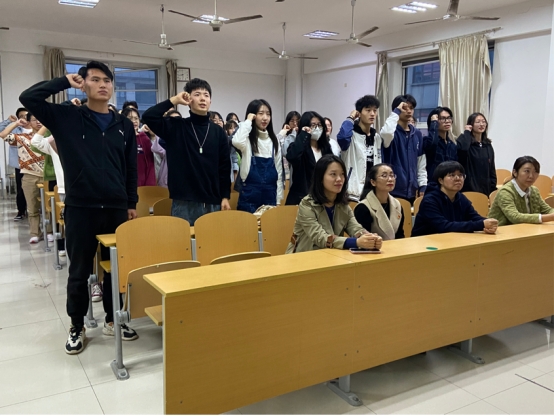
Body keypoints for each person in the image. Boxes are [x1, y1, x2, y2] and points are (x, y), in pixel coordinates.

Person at [20, 60, 139, 355]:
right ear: (83, 84)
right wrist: (63, 81)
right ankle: (77, 325)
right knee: (79, 272)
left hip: (115, 208)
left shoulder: (123, 125)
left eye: (107, 80)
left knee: (115, 270)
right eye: (95, 79)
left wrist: (131, 203)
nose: (102, 85)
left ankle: (113, 319)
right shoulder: (67, 117)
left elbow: (130, 168)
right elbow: (28, 98)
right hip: (81, 207)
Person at [142, 78, 231, 225]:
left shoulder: (218, 132)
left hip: (213, 201)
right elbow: (148, 116)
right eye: (197, 94)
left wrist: (225, 196)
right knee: (183, 239)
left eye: (206, 95)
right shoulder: (177, 126)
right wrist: (174, 100)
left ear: (210, 101)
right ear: (188, 99)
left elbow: (224, 167)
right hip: (184, 201)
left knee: (211, 239)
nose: (202, 98)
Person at [286, 155, 382, 253]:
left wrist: (369, 238)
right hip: (304, 256)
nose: (339, 179)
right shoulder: (307, 204)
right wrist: (356, 242)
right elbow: (320, 238)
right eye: (333, 174)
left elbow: (355, 228)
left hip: (332, 255)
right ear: (320, 178)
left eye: (342, 174)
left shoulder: (343, 205)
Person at [412, 161, 498, 236]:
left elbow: (474, 217)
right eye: (452, 175)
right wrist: (481, 224)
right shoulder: (429, 201)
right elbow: (443, 226)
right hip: (426, 243)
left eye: (460, 175)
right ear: (440, 180)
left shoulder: (461, 197)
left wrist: (489, 223)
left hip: (451, 240)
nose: (457, 179)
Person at [1, 112, 47, 243]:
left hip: (48, 176)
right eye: (34, 119)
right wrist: (16, 123)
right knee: (32, 207)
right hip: (29, 175)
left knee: (49, 206)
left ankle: (49, 231)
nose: (38, 122)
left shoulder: (50, 137)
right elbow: (3, 135)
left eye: (40, 119)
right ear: (29, 122)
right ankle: (35, 233)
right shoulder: (22, 138)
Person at [232, 99, 284, 212]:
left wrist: (278, 200)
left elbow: (279, 172)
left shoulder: (274, 141)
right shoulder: (247, 139)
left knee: (268, 224)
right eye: (261, 113)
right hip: (249, 196)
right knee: (248, 224)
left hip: (270, 196)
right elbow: (236, 141)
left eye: (268, 114)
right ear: (253, 115)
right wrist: (248, 121)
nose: (265, 118)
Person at [337, 95, 389, 201]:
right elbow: (342, 138)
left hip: (373, 190)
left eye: (375, 110)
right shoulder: (351, 136)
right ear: (359, 113)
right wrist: (350, 118)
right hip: (353, 191)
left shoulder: (377, 137)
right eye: (368, 110)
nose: (372, 114)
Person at [380, 94, 427, 204]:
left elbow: (421, 163)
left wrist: (422, 185)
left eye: (411, 108)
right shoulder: (391, 132)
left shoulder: (417, 134)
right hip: (392, 190)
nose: (409, 111)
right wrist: (396, 112)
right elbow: (386, 133)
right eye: (405, 108)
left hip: (412, 191)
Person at [31, 127, 66, 256]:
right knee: (65, 222)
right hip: (64, 188)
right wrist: (47, 124)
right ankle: (63, 246)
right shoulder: (54, 139)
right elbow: (35, 142)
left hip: (85, 187)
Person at [488, 156, 554, 226]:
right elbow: (514, 217)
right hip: (501, 230)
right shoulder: (505, 191)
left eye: (535, 172)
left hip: (526, 229)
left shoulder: (534, 191)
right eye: (527, 171)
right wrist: (548, 217)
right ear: (515, 172)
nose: (531, 176)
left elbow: (547, 210)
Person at [285, 111, 333, 205]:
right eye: (313, 125)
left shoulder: (326, 148)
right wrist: (304, 134)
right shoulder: (298, 147)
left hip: (322, 198)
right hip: (301, 199)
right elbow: (292, 157)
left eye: (319, 125)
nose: (317, 128)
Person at [354, 164, 404, 240]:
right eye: (384, 176)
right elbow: (363, 239)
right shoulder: (363, 207)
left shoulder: (397, 204)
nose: (390, 179)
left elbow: (400, 235)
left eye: (392, 175)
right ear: (373, 182)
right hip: (373, 246)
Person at [457, 112, 497, 196]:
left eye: (483, 121)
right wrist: (467, 132)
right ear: (471, 124)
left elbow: (491, 168)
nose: (481, 124)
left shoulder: (487, 145)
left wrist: (493, 186)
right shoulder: (464, 141)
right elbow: (462, 152)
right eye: (478, 122)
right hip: (469, 187)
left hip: (486, 188)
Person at [0, 108, 29, 220]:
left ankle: (37, 209)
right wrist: (9, 121)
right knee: (20, 189)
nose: (24, 118)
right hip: (20, 165)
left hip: (36, 165)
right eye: (21, 116)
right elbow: (1, 132)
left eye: (26, 115)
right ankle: (21, 211)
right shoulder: (16, 129)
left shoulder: (36, 127)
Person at [122, 107, 156, 187]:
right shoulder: (119, 138)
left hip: (142, 184)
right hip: (123, 184)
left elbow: (150, 164)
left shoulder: (144, 139)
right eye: (130, 118)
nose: (134, 121)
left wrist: (149, 185)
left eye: (136, 118)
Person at [423, 106, 457, 181]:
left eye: (449, 118)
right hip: (432, 183)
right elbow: (432, 144)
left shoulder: (452, 145)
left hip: (449, 183)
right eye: (442, 118)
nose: (447, 121)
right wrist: (434, 123)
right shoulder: (427, 140)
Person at [150, 110, 182, 188]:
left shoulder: (186, 138)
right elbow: (156, 148)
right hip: (166, 181)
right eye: (171, 120)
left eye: (177, 119)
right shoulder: (163, 138)